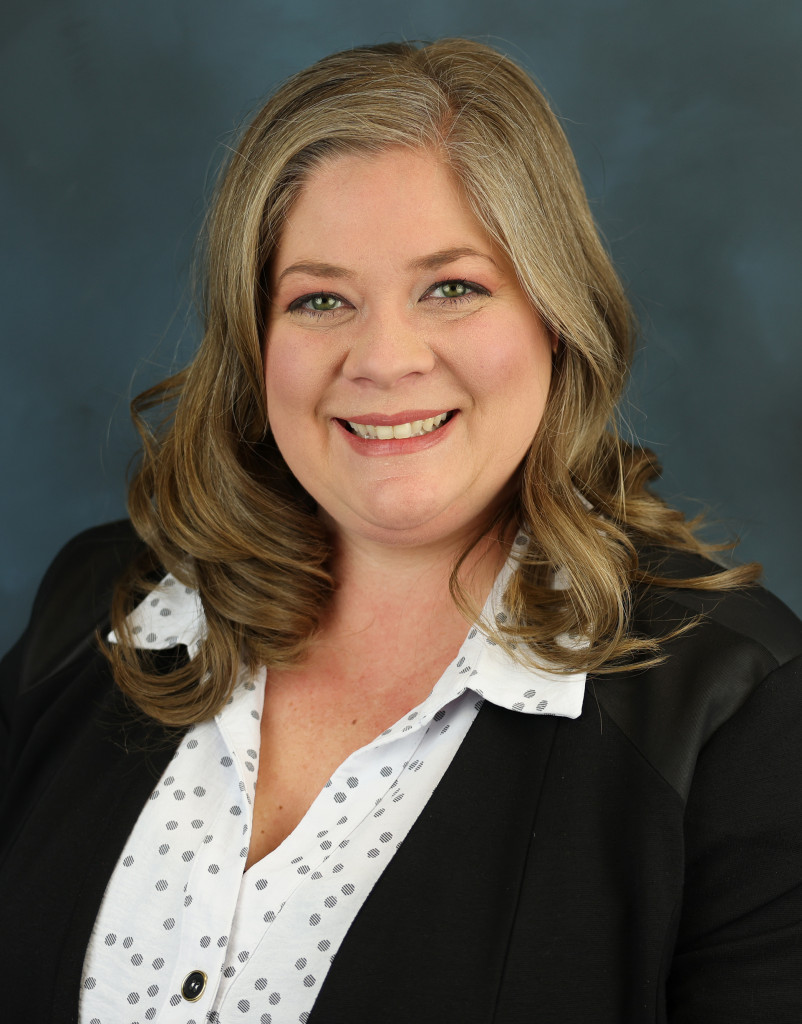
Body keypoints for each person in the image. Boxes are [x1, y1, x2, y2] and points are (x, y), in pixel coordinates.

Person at [1, 38, 800, 1024]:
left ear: (554, 314)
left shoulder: (737, 710)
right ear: (256, 343)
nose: (382, 357)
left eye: (452, 286)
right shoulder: (102, 606)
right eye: (320, 298)